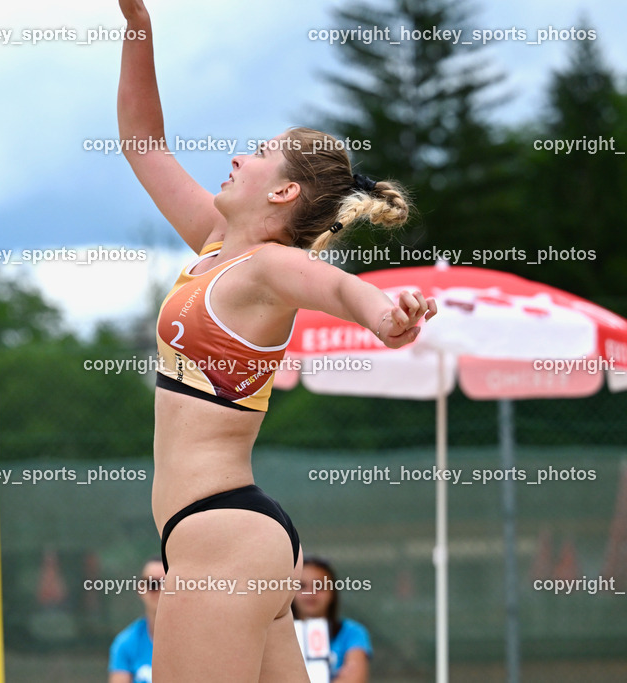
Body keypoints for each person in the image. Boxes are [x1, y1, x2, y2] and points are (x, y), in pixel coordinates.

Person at [116, 1, 437, 680]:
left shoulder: (268, 266)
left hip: (221, 534)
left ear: (285, 189)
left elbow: (340, 289)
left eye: (258, 154)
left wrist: (385, 314)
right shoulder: (215, 246)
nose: (238, 157)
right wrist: (137, 25)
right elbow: (142, 142)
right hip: (231, 534)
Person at [292, 557, 372, 682]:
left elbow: (354, 678)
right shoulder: (277, 635)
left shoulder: (352, 632)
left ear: (332, 592)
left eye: (319, 586)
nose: (310, 592)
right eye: (302, 586)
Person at [108, 556, 166, 683]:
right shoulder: (126, 644)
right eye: (153, 584)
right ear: (141, 588)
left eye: (166, 584)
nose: (160, 591)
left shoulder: (194, 642)